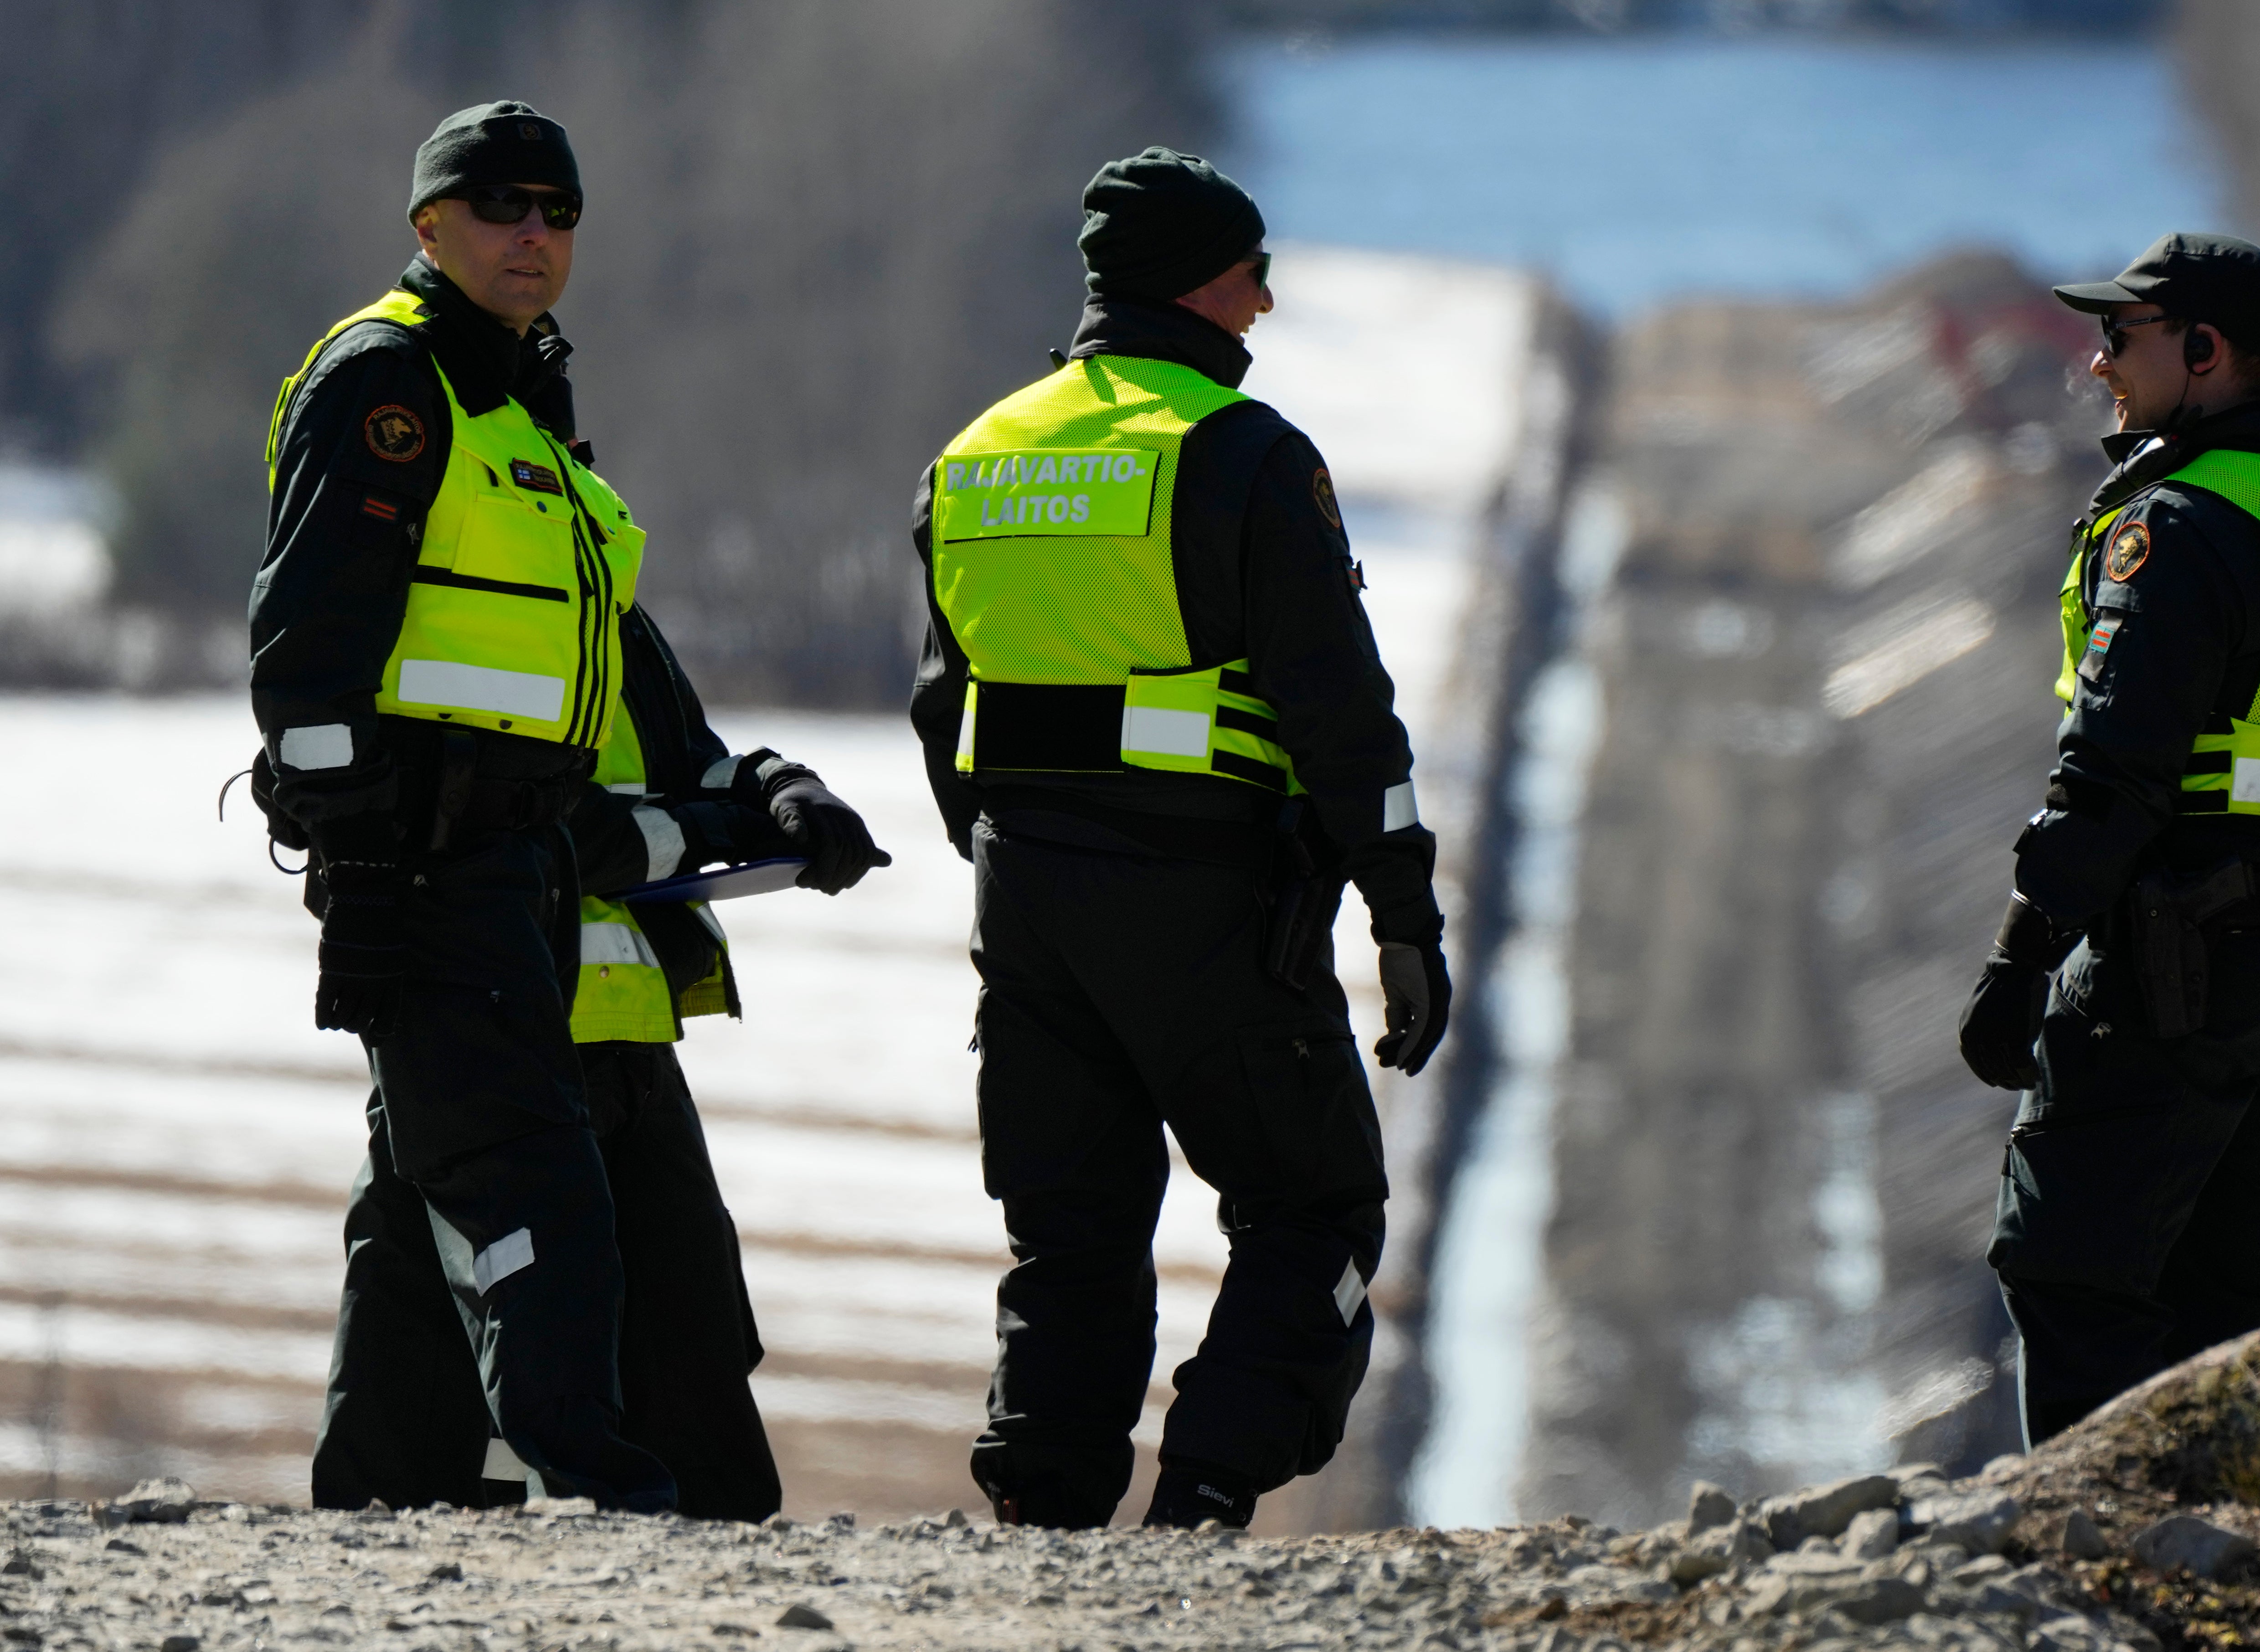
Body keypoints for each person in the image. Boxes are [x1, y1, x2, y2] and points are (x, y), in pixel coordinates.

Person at [253, 101, 880, 1511]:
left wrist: (754, 789)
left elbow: (622, 669)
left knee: (443, 1210)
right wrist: (379, 834)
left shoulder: (525, 417)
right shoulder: (392, 385)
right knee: (539, 1202)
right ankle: (614, 1502)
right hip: (429, 873)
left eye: (559, 211)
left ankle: (387, 1507)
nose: (534, 235)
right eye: (498, 207)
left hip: (518, 876)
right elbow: (306, 647)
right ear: (428, 225)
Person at [910, 147, 1449, 1532]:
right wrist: (1401, 909)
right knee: (1314, 1202)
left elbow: (938, 703)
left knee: (1070, 1227)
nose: (1266, 303)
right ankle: (1204, 1493)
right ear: (1201, 284)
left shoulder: (977, 454)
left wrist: (1009, 857)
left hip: (1025, 900)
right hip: (1208, 900)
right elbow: (1340, 710)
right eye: (1253, 271)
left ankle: (1042, 1505)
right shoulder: (1243, 456)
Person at [1957, 232, 2260, 1445]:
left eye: (2123, 337)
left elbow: (2109, 776)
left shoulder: (2174, 528)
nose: (2097, 363)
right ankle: (2259, 1534)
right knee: (2245, 1291)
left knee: (2068, 1266)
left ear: (2203, 352)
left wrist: (2017, 960)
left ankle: (2081, 1563)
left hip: (2168, 955)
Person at [310, 597, 885, 1516]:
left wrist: (780, 786)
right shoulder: (457, 575)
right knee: (433, 1377)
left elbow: (686, 751)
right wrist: (710, 831)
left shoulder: (587, 562)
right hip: (482, 1023)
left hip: (626, 1035)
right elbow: (510, 815)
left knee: (690, 1379)